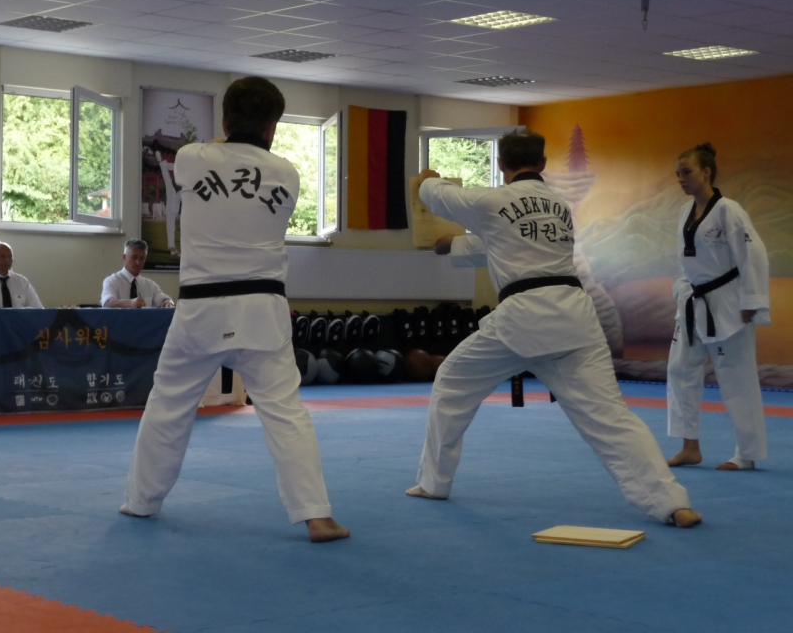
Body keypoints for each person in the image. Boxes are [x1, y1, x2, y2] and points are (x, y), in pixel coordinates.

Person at [410, 131, 700, 527]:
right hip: (575, 320)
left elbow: (437, 196)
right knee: (611, 417)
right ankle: (672, 503)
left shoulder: (491, 200)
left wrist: (427, 180)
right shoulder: (559, 206)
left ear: (501, 164)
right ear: (543, 164)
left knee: (451, 381)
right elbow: (512, 244)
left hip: (522, 320)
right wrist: (455, 246)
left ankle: (434, 483)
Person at [121, 76, 348, 543]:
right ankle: (316, 515)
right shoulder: (287, 173)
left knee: (168, 405)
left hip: (200, 310)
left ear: (224, 121)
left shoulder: (192, 157)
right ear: (273, 127)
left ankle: (141, 501)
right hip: (262, 310)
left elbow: (209, 151)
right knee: (286, 412)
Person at [666, 143, 770, 471]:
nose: (681, 179)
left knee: (737, 378)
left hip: (728, 304)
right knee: (680, 371)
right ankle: (689, 446)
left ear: (706, 172)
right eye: (678, 173)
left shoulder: (729, 210)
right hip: (693, 304)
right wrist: (681, 292)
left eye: (687, 172)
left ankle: (747, 453)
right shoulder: (685, 212)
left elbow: (753, 256)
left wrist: (751, 300)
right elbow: (686, 261)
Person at [102, 239, 175, 309]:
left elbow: (165, 299)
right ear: (124, 257)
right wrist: (130, 303)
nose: (138, 262)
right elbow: (107, 303)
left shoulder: (150, 285)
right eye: (134, 257)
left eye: (142, 258)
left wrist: (168, 302)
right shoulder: (112, 281)